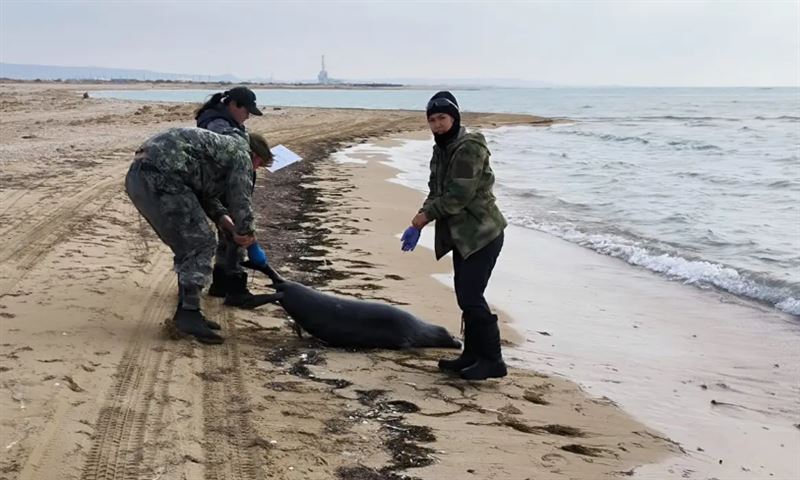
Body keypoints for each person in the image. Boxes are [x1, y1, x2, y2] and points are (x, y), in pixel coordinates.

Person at [125, 127, 272, 344]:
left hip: (139, 177)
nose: (255, 170)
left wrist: (224, 221)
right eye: (259, 165)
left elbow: (204, 194)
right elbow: (241, 200)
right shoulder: (241, 153)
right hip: (163, 176)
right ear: (256, 156)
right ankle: (189, 315)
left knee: (188, 245)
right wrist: (246, 233)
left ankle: (187, 311)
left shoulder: (220, 150)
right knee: (201, 243)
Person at [401, 91, 508, 380]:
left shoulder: (469, 147)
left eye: (442, 118)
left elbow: (458, 196)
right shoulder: (441, 149)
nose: (437, 125)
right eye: (432, 120)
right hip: (462, 236)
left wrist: (423, 219)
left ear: (455, 118)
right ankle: (471, 354)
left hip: (483, 233)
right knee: (465, 295)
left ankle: (492, 360)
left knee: (472, 296)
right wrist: (418, 221)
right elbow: (436, 191)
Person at [195, 86, 265, 307]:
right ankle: (235, 289)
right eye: (246, 111)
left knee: (227, 237)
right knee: (236, 236)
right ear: (234, 105)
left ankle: (220, 285)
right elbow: (229, 153)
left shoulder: (226, 122)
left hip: (221, 184)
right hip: (222, 186)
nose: (247, 116)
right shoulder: (217, 124)